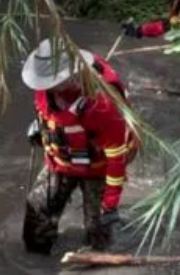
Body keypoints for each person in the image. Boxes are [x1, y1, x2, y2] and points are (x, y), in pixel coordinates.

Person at [21, 39, 133, 255]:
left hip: (98, 168)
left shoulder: (102, 104)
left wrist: (110, 203)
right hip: (60, 162)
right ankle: (37, 259)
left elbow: (116, 159)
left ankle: (99, 268)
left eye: (50, 82)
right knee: (36, 210)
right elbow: (48, 112)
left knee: (98, 229)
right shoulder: (44, 89)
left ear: (70, 76)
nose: (43, 87)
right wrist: (39, 127)